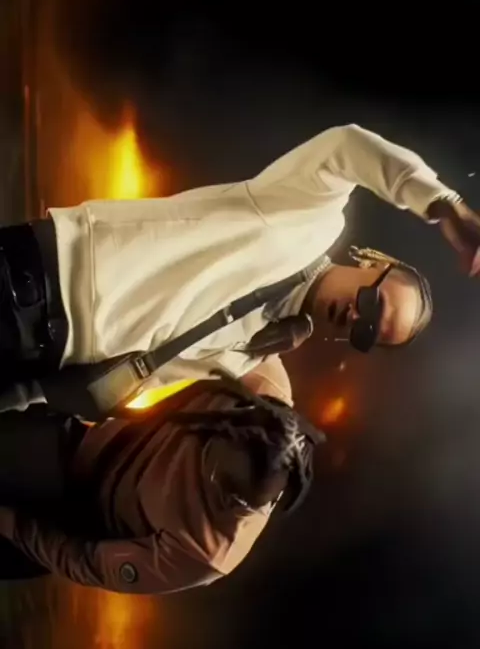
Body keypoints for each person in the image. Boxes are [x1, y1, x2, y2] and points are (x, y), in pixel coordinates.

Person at [0, 123, 478, 413]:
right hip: (36, 281)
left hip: (43, 359)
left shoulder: (255, 350)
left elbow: (145, 376)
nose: (356, 316)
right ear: (373, 262)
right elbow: (349, 146)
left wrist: (25, 395)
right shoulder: (306, 217)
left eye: (366, 331)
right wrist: (444, 206)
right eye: (371, 302)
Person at [0, 357, 322, 594]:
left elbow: (86, 561)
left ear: (235, 499)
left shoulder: (206, 551)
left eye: (211, 467)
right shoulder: (261, 379)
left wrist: (11, 525)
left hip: (66, 498)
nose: (201, 452)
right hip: (85, 399)